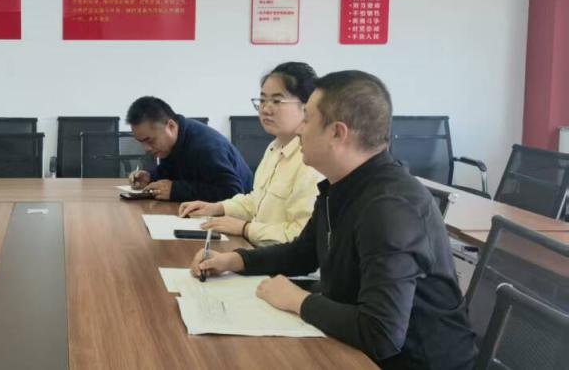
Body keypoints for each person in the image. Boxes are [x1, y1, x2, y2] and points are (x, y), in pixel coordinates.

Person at [190, 71, 477, 369]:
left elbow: (381, 333)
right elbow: (303, 252)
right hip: (357, 345)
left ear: (338, 133)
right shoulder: (341, 185)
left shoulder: (390, 208)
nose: (300, 129)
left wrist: (298, 301)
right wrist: (236, 260)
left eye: (307, 119)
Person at [179, 62, 321, 246]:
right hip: (258, 251)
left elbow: (301, 235)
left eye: (277, 101)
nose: (266, 109)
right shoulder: (274, 147)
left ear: (307, 106)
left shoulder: (312, 161)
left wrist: (245, 228)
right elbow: (256, 201)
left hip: (283, 262)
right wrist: (217, 208)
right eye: (262, 100)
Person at [126, 96, 253, 202]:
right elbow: (172, 171)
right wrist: (150, 177)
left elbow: (232, 192)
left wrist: (176, 191)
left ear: (171, 126)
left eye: (149, 140)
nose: (146, 149)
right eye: (141, 142)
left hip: (244, 216)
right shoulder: (174, 141)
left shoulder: (207, 147)